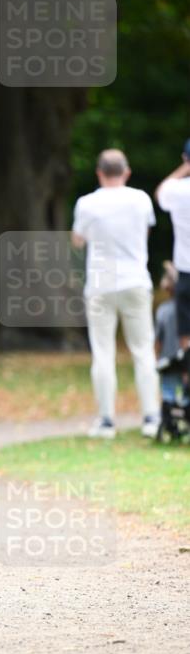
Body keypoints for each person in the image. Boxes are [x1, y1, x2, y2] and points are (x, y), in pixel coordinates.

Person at [72, 148, 159, 439]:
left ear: (99, 172)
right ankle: (151, 417)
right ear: (127, 172)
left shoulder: (86, 203)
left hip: (100, 284)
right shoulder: (141, 199)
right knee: (143, 350)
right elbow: (145, 233)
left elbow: (78, 241)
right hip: (135, 280)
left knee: (103, 352)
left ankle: (107, 420)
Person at [155, 138, 190, 373]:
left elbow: (160, 193)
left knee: (186, 336)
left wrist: (185, 167)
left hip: (187, 271)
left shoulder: (178, 191)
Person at [154, 262, 189, 439]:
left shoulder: (163, 311)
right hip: (184, 362)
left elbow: (158, 340)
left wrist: (156, 358)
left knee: (168, 392)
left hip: (167, 362)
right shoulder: (186, 311)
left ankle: (169, 422)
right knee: (186, 393)